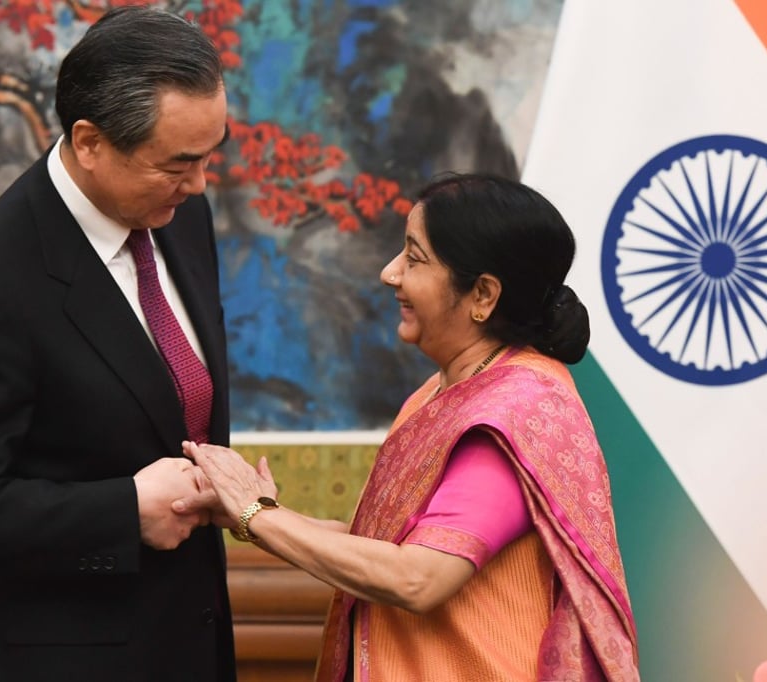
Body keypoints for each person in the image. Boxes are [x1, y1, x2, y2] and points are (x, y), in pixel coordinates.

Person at [179, 173, 640, 681]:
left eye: (415, 259)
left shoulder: (514, 411)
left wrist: (257, 516)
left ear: (482, 294)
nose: (389, 273)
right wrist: (251, 510)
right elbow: (379, 545)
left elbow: (420, 578)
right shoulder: (442, 391)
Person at [0, 7, 236, 681]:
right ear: (89, 142)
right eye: (178, 164)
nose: (201, 184)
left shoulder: (180, 213)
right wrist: (125, 510)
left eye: (209, 156)